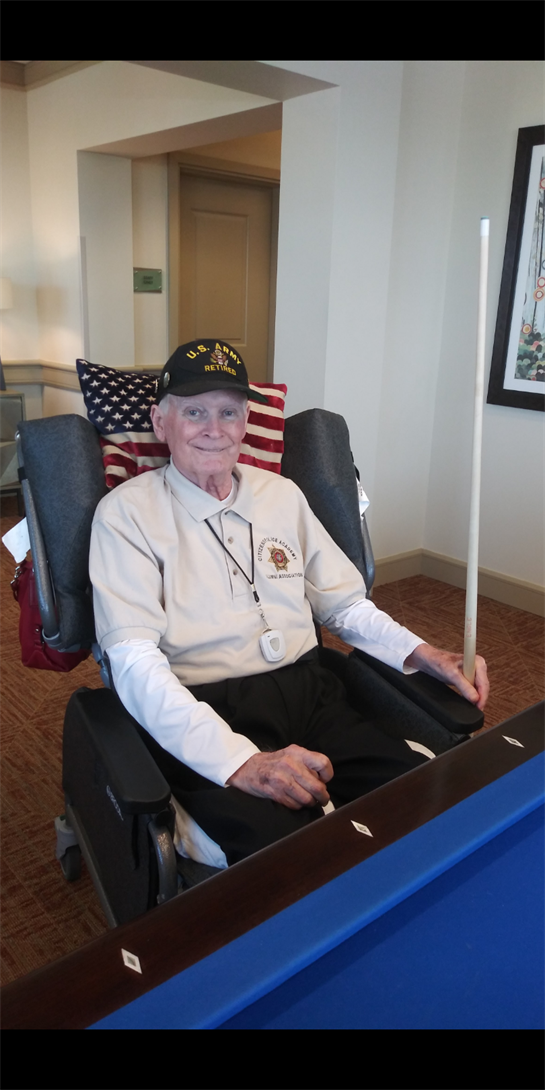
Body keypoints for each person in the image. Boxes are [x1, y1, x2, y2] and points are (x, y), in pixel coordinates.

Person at [90, 340, 488, 869]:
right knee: (294, 860)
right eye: (194, 412)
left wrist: (424, 653)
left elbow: (345, 607)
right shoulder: (125, 515)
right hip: (206, 706)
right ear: (161, 423)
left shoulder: (282, 495)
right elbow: (135, 665)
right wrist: (241, 762)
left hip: (310, 692)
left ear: (245, 423)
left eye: (228, 412)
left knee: (419, 801)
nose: (214, 428)